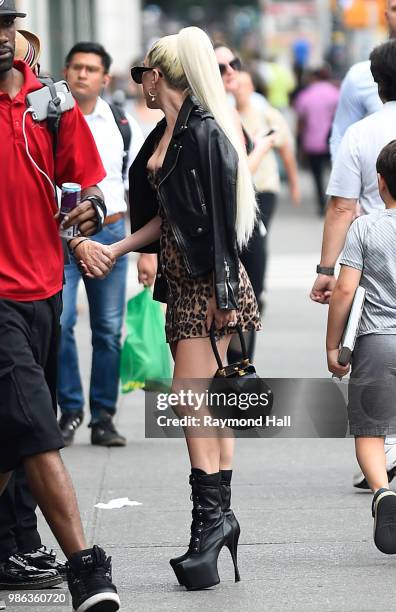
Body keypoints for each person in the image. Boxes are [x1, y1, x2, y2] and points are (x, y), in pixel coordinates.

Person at [79, 26, 261, 590]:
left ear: (159, 76)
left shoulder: (203, 134)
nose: (141, 85)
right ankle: (215, 521)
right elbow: (168, 219)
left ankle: (212, 520)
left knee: (190, 399)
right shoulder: (171, 131)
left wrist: (222, 297)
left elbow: (227, 226)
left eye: (142, 75)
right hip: (187, 284)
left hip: (210, 285)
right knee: (206, 400)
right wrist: (118, 246)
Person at [0, 6, 119, 610]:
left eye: (3, 24)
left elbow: (86, 180)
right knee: (37, 430)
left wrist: (90, 213)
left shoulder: (52, 102)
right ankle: (86, 571)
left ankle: (9, 546)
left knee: (11, 436)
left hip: (44, 287)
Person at [310, 39, 396, 489]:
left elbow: (342, 207)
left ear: (377, 84)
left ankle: (383, 487)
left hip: (371, 285)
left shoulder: (361, 133)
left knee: (369, 418)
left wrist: (328, 272)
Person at [58, 42, 145, 447]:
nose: (82, 74)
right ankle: (70, 410)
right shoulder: (50, 119)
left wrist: (146, 252)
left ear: (104, 78)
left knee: (108, 330)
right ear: (66, 70)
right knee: (59, 324)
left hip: (110, 234)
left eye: (91, 69)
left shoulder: (123, 124)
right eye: (76, 67)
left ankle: (103, 416)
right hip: (60, 237)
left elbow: (141, 191)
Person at [326, 139, 396, 555]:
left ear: (380, 182)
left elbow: (345, 290)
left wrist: (333, 346)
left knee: (370, 430)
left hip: (377, 342)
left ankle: (383, 492)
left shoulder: (366, 227)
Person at [234, 70, 300, 305]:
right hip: (239, 188)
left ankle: (256, 289)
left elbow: (286, 151)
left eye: (244, 84)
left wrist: (294, 183)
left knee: (257, 236)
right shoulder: (227, 115)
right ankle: (245, 285)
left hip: (264, 187)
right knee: (242, 239)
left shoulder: (267, 115)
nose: (238, 88)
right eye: (235, 84)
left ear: (252, 87)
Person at [329, 0, 396, 160]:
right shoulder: (361, 76)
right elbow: (340, 137)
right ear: (386, 15)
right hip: (377, 182)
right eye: (395, 9)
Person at [294, 67, 339, 216]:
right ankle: (335, 202)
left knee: (317, 176)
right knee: (335, 173)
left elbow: (301, 121)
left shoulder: (305, 95)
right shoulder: (336, 93)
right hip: (334, 140)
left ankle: (321, 205)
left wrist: (299, 143)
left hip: (312, 142)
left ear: (314, 78)